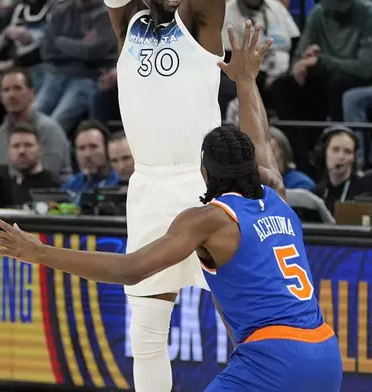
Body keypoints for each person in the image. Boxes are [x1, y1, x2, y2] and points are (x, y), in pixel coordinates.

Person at [0, 23, 343, 392]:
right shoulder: (275, 194)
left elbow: (129, 269)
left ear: (204, 172)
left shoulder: (210, 220)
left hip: (273, 359)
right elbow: (261, 139)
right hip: (325, 351)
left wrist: (37, 251)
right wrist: (246, 81)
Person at [102, 0, 226, 389]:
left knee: (247, 326)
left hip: (203, 184)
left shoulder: (200, 22)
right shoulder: (128, 24)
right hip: (147, 189)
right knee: (146, 337)